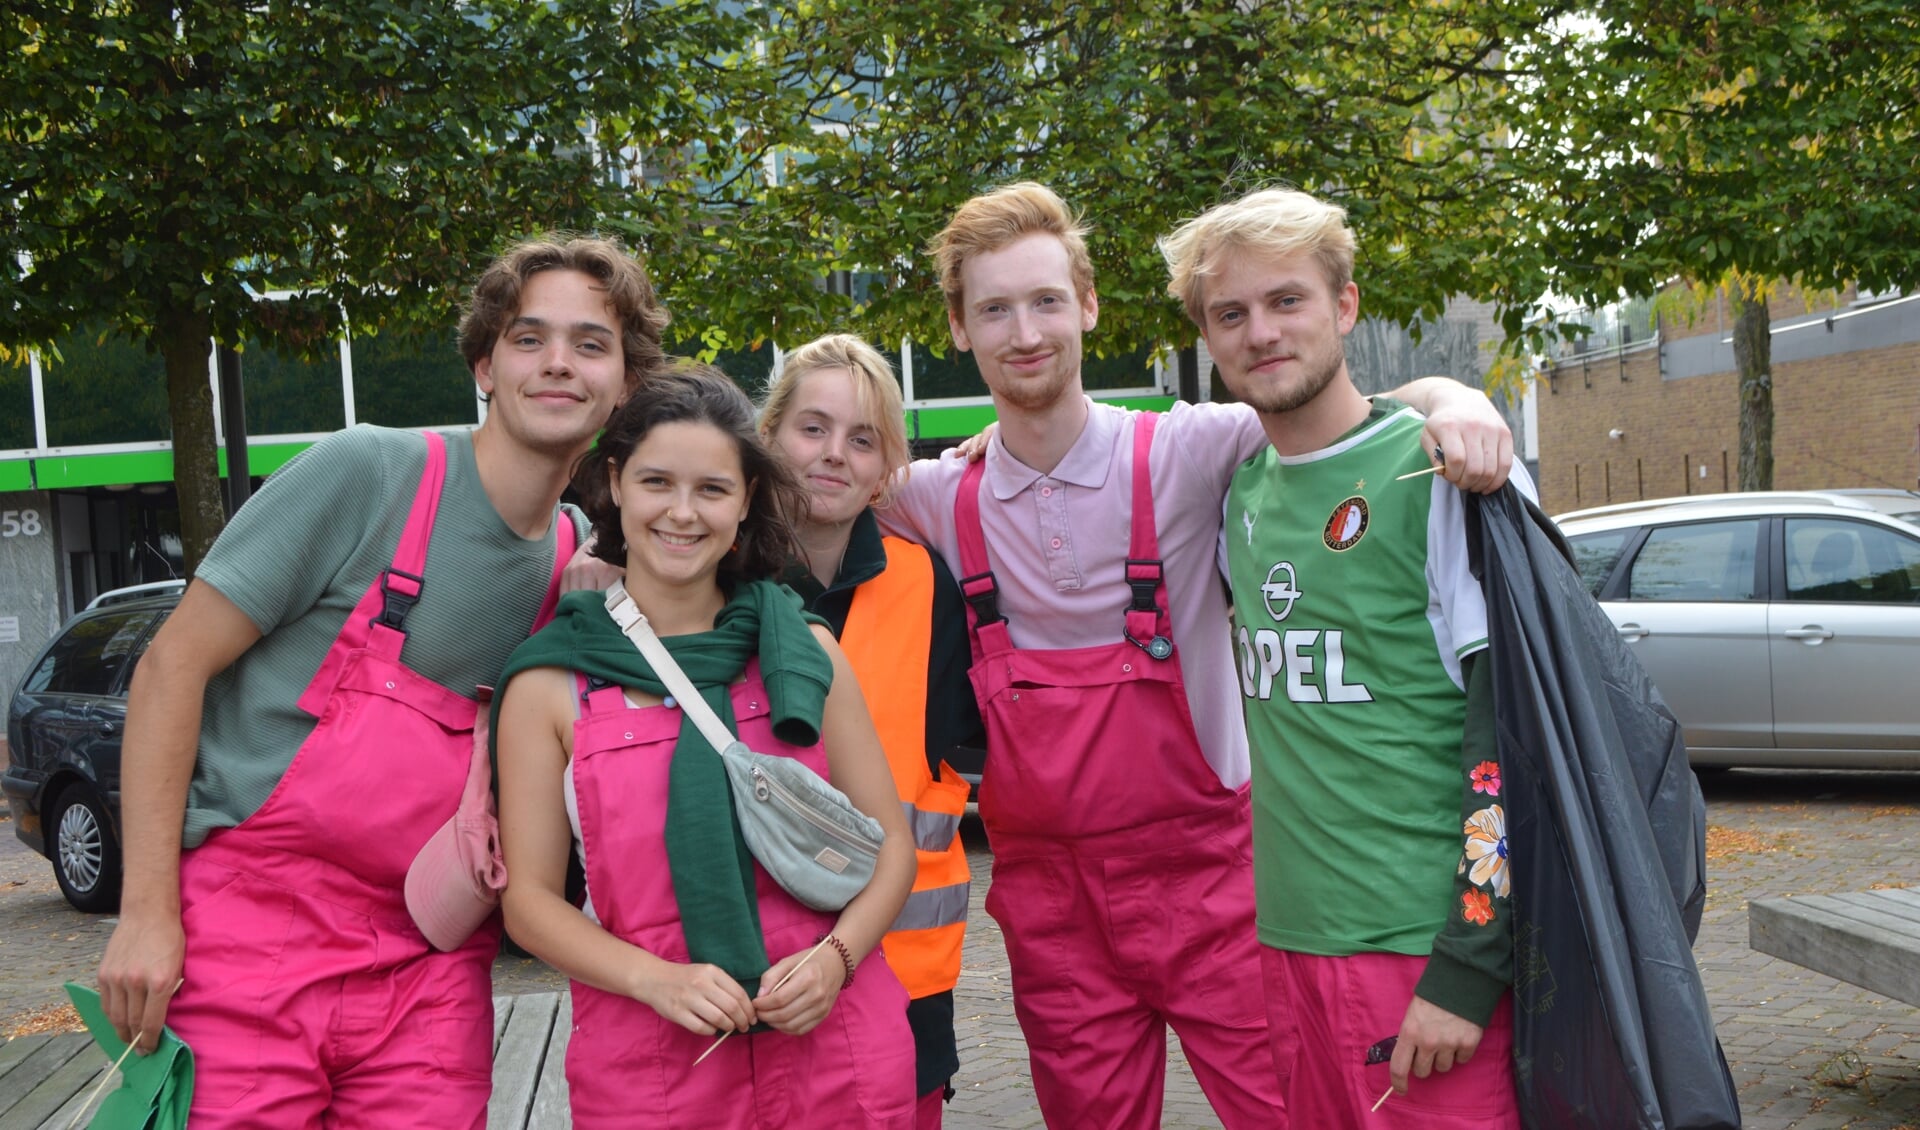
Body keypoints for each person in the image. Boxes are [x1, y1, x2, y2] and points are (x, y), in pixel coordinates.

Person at [875, 182, 1514, 1130]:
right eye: (994, 309)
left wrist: (1459, 396)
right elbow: (793, 486)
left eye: (1047, 300)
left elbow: (1335, 409)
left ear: (1088, 305)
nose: (1025, 332)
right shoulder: (933, 494)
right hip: (1053, 906)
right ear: (958, 331)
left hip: (1223, 887)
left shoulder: (1198, 449)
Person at [95, 235, 663, 1127]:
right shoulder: (370, 473)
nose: (560, 363)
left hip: (431, 959)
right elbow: (172, 666)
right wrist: (143, 913)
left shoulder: (573, 564)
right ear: (484, 362)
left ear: (624, 382)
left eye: (592, 344)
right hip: (252, 934)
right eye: (529, 338)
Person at [1159, 187, 1532, 1127]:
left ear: (1346, 308)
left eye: (1289, 301)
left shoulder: (1442, 472)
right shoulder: (1237, 492)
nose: (1261, 333)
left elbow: (1514, 738)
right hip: (1286, 952)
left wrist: (1468, 964)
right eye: (1230, 314)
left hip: (1423, 956)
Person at [493, 367, 919, 1128]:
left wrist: (839, 959)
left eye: (713, 490)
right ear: (617, 483)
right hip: (651, 1065)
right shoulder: (551, 681)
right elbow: (526, 901)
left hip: (837, 1052)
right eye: (658, 482)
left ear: (747, 499)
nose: (682, 514)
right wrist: (653, 979)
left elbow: (893, 848)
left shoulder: (806, 649)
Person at [760, 333, 981, 1128]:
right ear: (769, 437)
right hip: (758, 966)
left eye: (862, 439)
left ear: (888, 465)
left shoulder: (926, 582)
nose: (833, 455)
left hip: (903, 968)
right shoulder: (714, 582)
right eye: (812, 429)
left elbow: (956, 755)